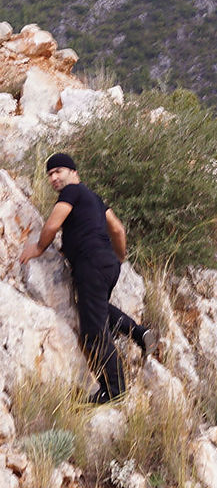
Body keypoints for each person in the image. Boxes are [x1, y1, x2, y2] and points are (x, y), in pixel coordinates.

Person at [19, 153, 157, 404]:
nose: (53, 177)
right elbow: (117, 228)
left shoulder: (71, 192)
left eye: (58, 171)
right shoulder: (93, 198)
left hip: (90, 265)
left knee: (93, 333)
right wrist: (119, 257)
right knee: (97, 309)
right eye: (50, 174)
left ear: (73, 172)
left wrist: (38, 248)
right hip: (107, 265)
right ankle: (138, 333)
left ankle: (114, 392)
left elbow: (52, 225)